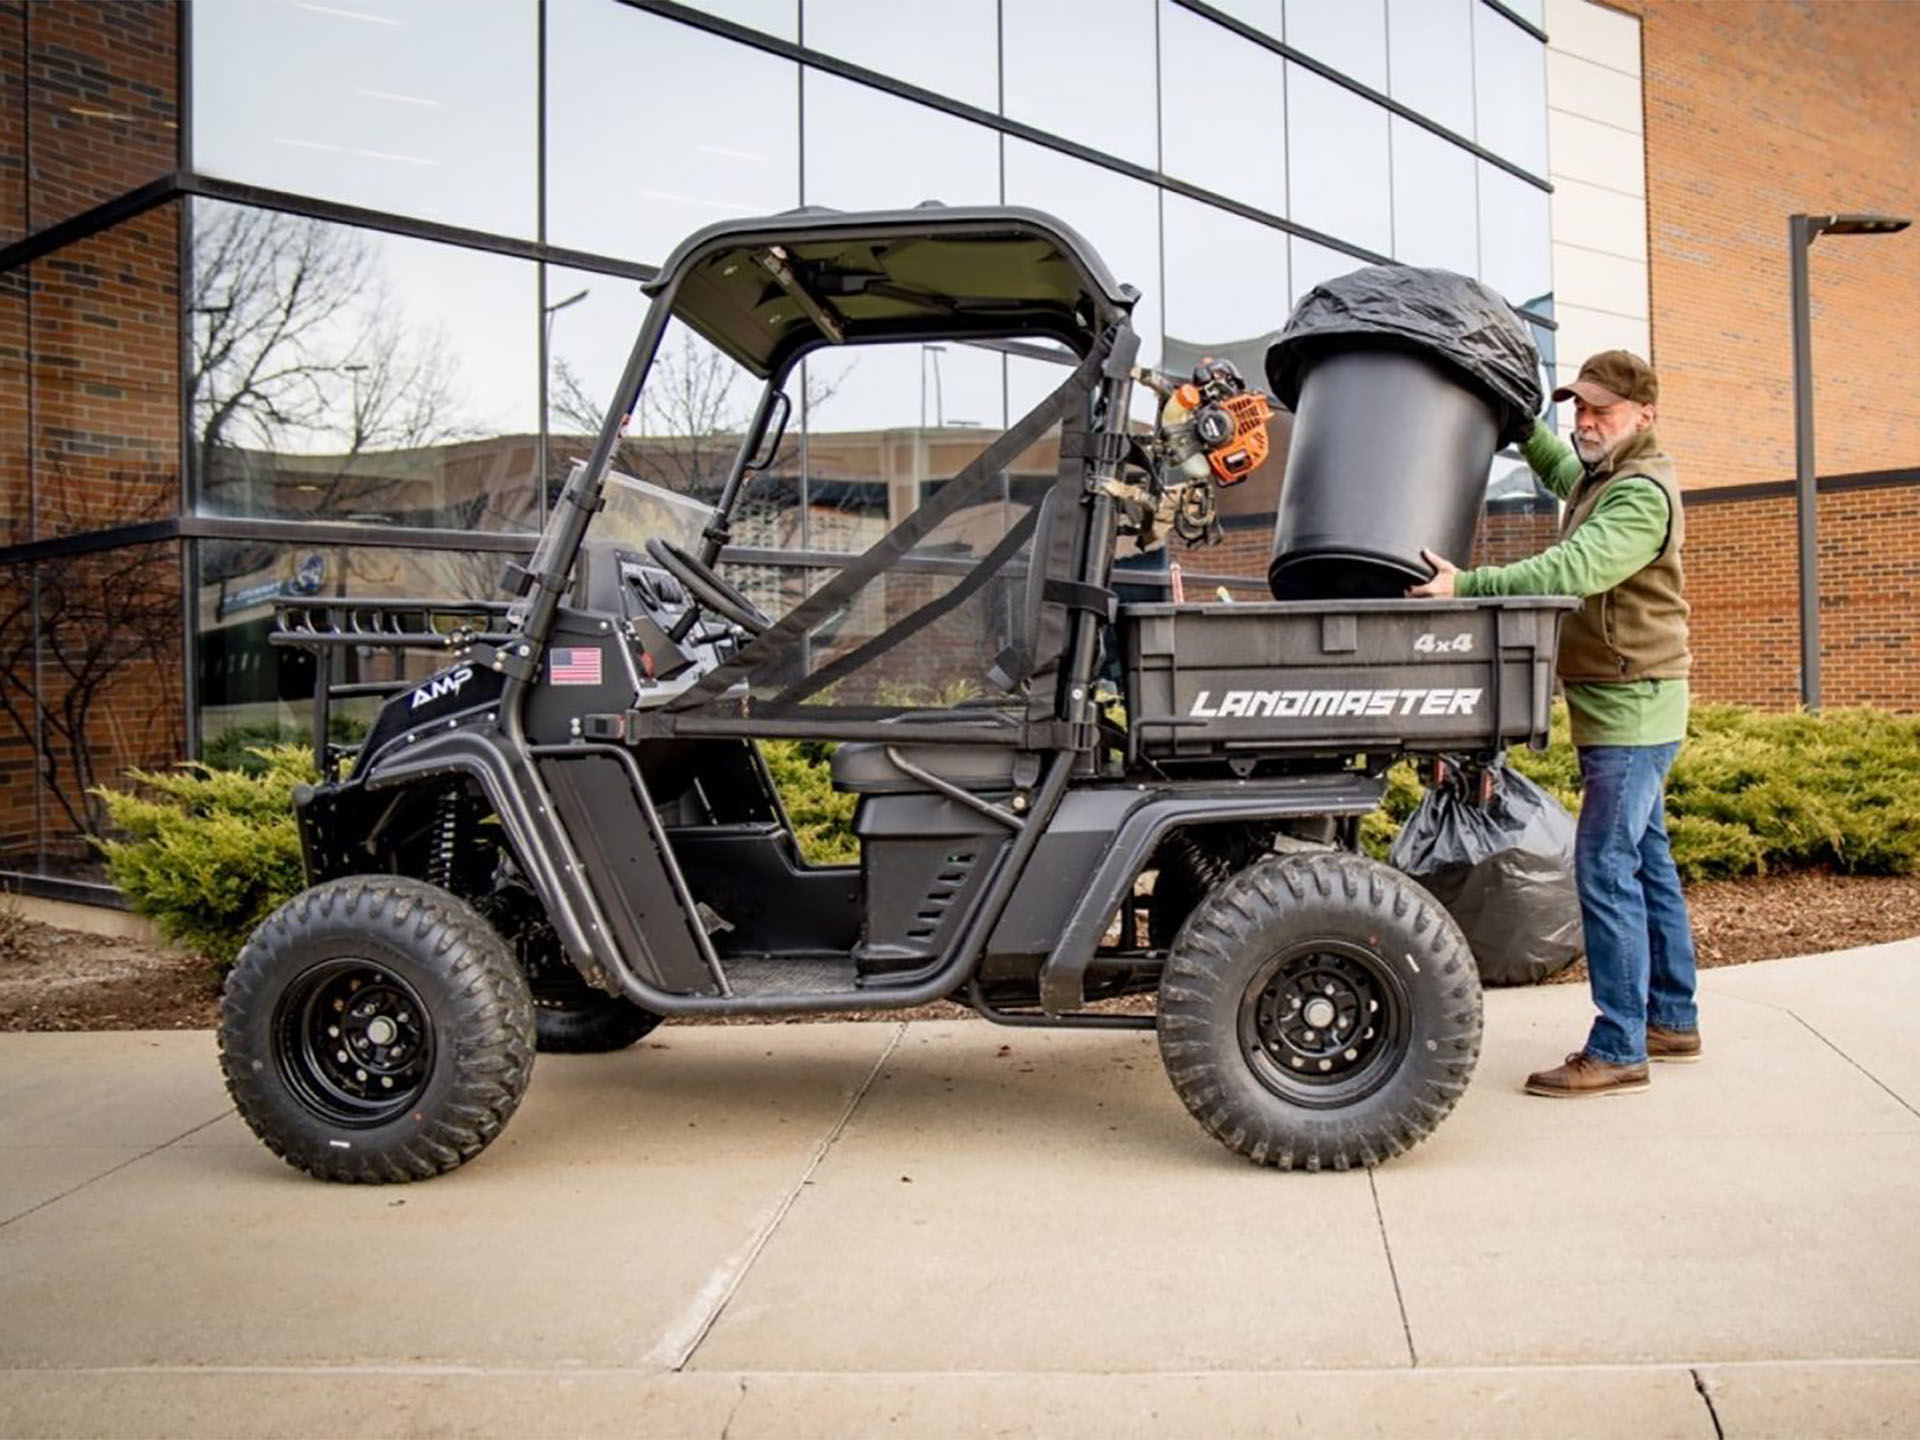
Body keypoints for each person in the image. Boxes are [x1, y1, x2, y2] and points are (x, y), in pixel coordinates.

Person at [1407, 350, 1700, 1098]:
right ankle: (1672, 1017)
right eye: (1580, 408)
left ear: (1645, 414)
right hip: (1625, 702)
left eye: (1601, 409)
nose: (1586, 421)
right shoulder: (1603, 480)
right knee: (1648, 864)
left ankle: (1620, 1045)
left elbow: (1573, 569)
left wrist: (1468, 585)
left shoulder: (1639, 496)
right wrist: (1520, 423)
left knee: (1604, 866)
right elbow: (1561, 472)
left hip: (1633, 710)